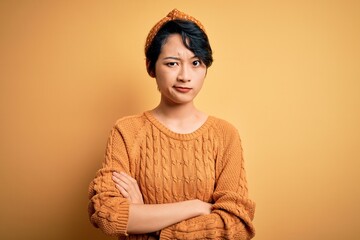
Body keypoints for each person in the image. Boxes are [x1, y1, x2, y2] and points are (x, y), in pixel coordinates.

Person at [88, 9, 256, 240]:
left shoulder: (225, 135)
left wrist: (146, 220)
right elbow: (106, 213)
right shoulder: (127, 132)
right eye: (172, 63)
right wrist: (196, 206)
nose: (185, 76)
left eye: (196, 62)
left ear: (206, 68)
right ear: (151, 67)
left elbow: (235, 225)